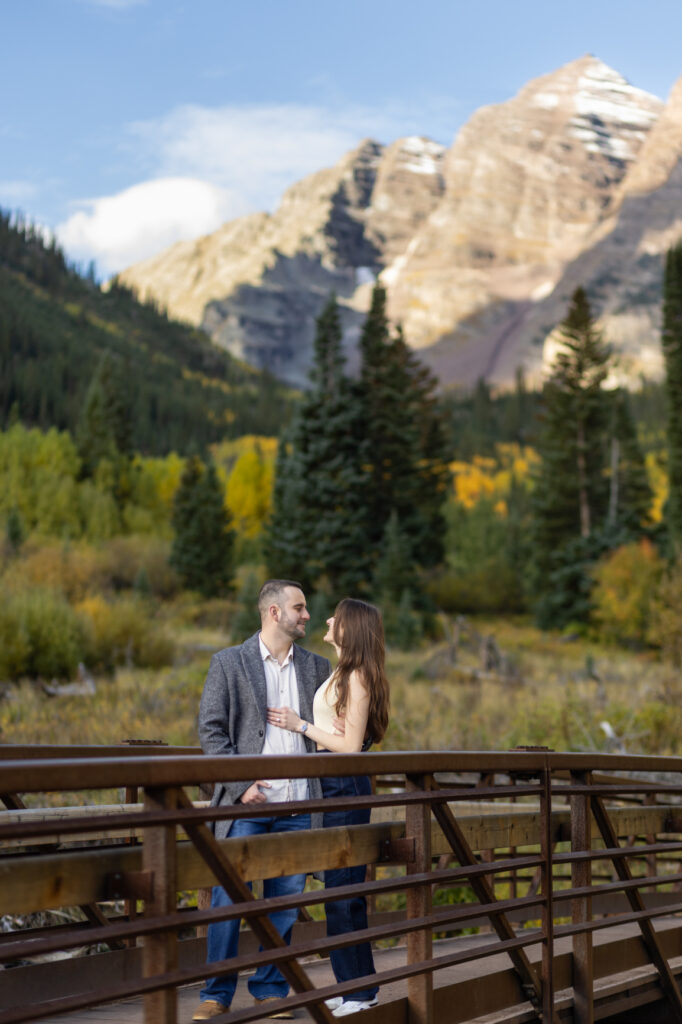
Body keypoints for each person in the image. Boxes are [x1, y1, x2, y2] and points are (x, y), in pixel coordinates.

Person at [192, 579, 331, 1022]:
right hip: (247, 804)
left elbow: (329, 732)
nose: (306, 615)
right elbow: (211, 730)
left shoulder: (316, 667)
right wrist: (240, 783)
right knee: (228, 900)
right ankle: (216, 993)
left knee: (284, 903)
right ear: (274, 612)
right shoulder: (228, 663)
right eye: (299, 607)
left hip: (296, 805)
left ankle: (270, 988)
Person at [267, 598, 390, 1018]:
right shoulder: (342, 672)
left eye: (335, 616)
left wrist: (300, 725)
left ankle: (360, 994)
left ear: (349, 627)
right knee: (339, 892)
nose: (327, 619)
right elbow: (355, 734)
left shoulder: (357, 676)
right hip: (332, 785)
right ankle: (354, 986)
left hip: (344, 786)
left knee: (342, 892)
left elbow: (351, 746)